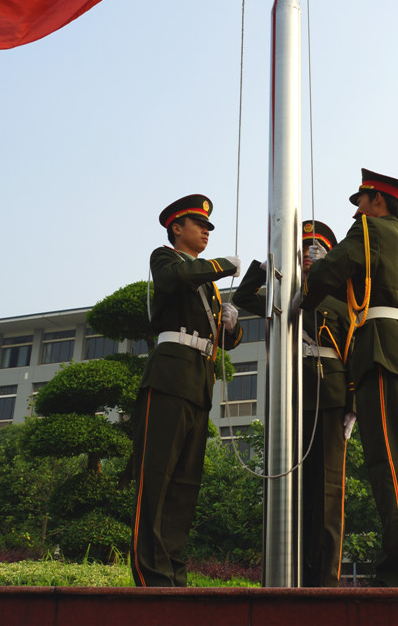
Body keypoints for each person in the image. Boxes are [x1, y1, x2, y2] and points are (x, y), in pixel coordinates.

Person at [300, 170, 398, 588]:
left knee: (390, 464)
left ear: (376, 202)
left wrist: (306, 289)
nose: (357, 210)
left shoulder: (370, 229)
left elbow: (331, 273)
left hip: (380, 351)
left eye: (361, 201)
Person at [233, 220, 354, 587]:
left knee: (327, 493)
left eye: (318, 248)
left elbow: (355, 351)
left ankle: (325, 581)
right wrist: (271, 269)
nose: (309, 254)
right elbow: (241, 298)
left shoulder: (342, 299)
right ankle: (292, 575)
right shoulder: (283, 296)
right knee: (289, 492)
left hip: (329, 396)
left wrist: (354, 402)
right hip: (289, 398)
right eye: (303, 249)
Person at [131, 194, 242, 587]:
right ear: (177, 228)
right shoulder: (166, 259)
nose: (207, 231)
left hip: (199, 380)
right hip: (170, 375)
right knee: (157, 476)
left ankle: (172, 569)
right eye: (200, 225)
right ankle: (150, 573)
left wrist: (231, 325)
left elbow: (224, 341)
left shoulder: (204, 281)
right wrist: (222, 266)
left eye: (210, 228)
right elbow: (172, 280)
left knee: (185, 484)